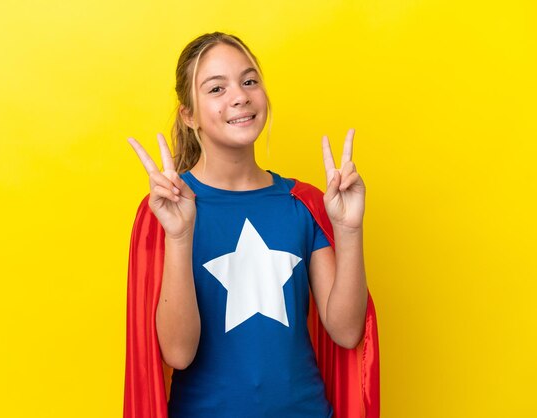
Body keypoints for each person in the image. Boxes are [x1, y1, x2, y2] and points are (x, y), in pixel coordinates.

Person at [124, 32, 379, 418]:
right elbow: (177, 353)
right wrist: (178, 236)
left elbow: (345, 331)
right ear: (188, 114)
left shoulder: (303, 203)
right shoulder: (167, 209)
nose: (239, 96)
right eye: (216, 88)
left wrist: (348, 230)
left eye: (249, 81)